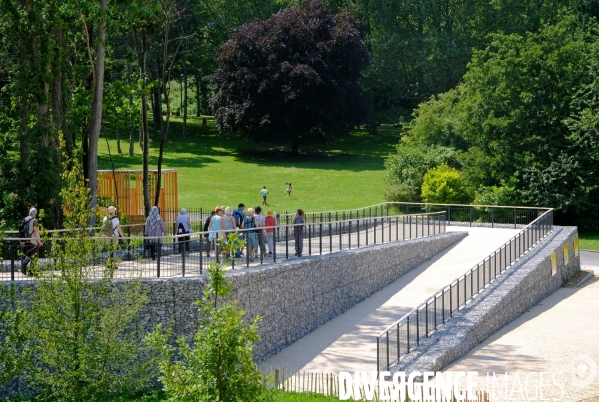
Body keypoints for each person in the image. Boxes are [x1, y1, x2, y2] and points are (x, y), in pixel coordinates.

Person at [20, 207, 43, 275]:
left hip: (26, 241)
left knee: (30, 255)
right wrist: (39, 242)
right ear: (34, 214)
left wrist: (22, 241)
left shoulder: (24, 219)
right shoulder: (34, 221)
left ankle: (31, 272)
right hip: (33, 241)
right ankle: (24, 266)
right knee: (34, 256)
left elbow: (21, 231)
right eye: (35, 214)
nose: (35, 216)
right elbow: (36, 231)